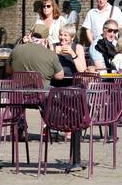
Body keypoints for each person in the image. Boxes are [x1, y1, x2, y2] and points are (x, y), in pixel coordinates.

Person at [9, 23, 85, 169]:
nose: (62, 38)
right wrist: (53, 52)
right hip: (53, 84)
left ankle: (67, 126)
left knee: (73, 100)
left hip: (71, 83)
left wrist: (72, 54)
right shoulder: (52, 47)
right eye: (61, 34)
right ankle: (59, 124)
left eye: (66, 35)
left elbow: (82, 69)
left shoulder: (77, 47)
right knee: (54, 98)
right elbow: (45, 66)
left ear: (72, 37)